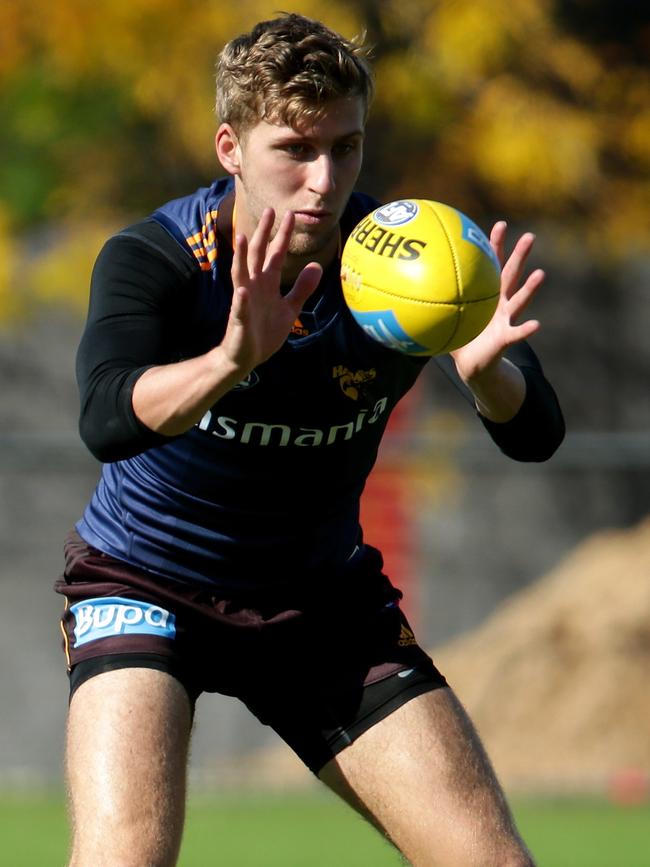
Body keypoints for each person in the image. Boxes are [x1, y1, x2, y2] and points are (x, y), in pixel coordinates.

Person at [56, 13, 564, 867]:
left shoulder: (405, 264)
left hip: (319, 602)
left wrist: (487, 374)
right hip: (146, 581)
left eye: (348, 147)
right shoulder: (163, 260)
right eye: (295, 148)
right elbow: (105, 418)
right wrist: (228, 359)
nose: (324, 180)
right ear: (231, 147)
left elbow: (537, 435)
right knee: (123, 857)